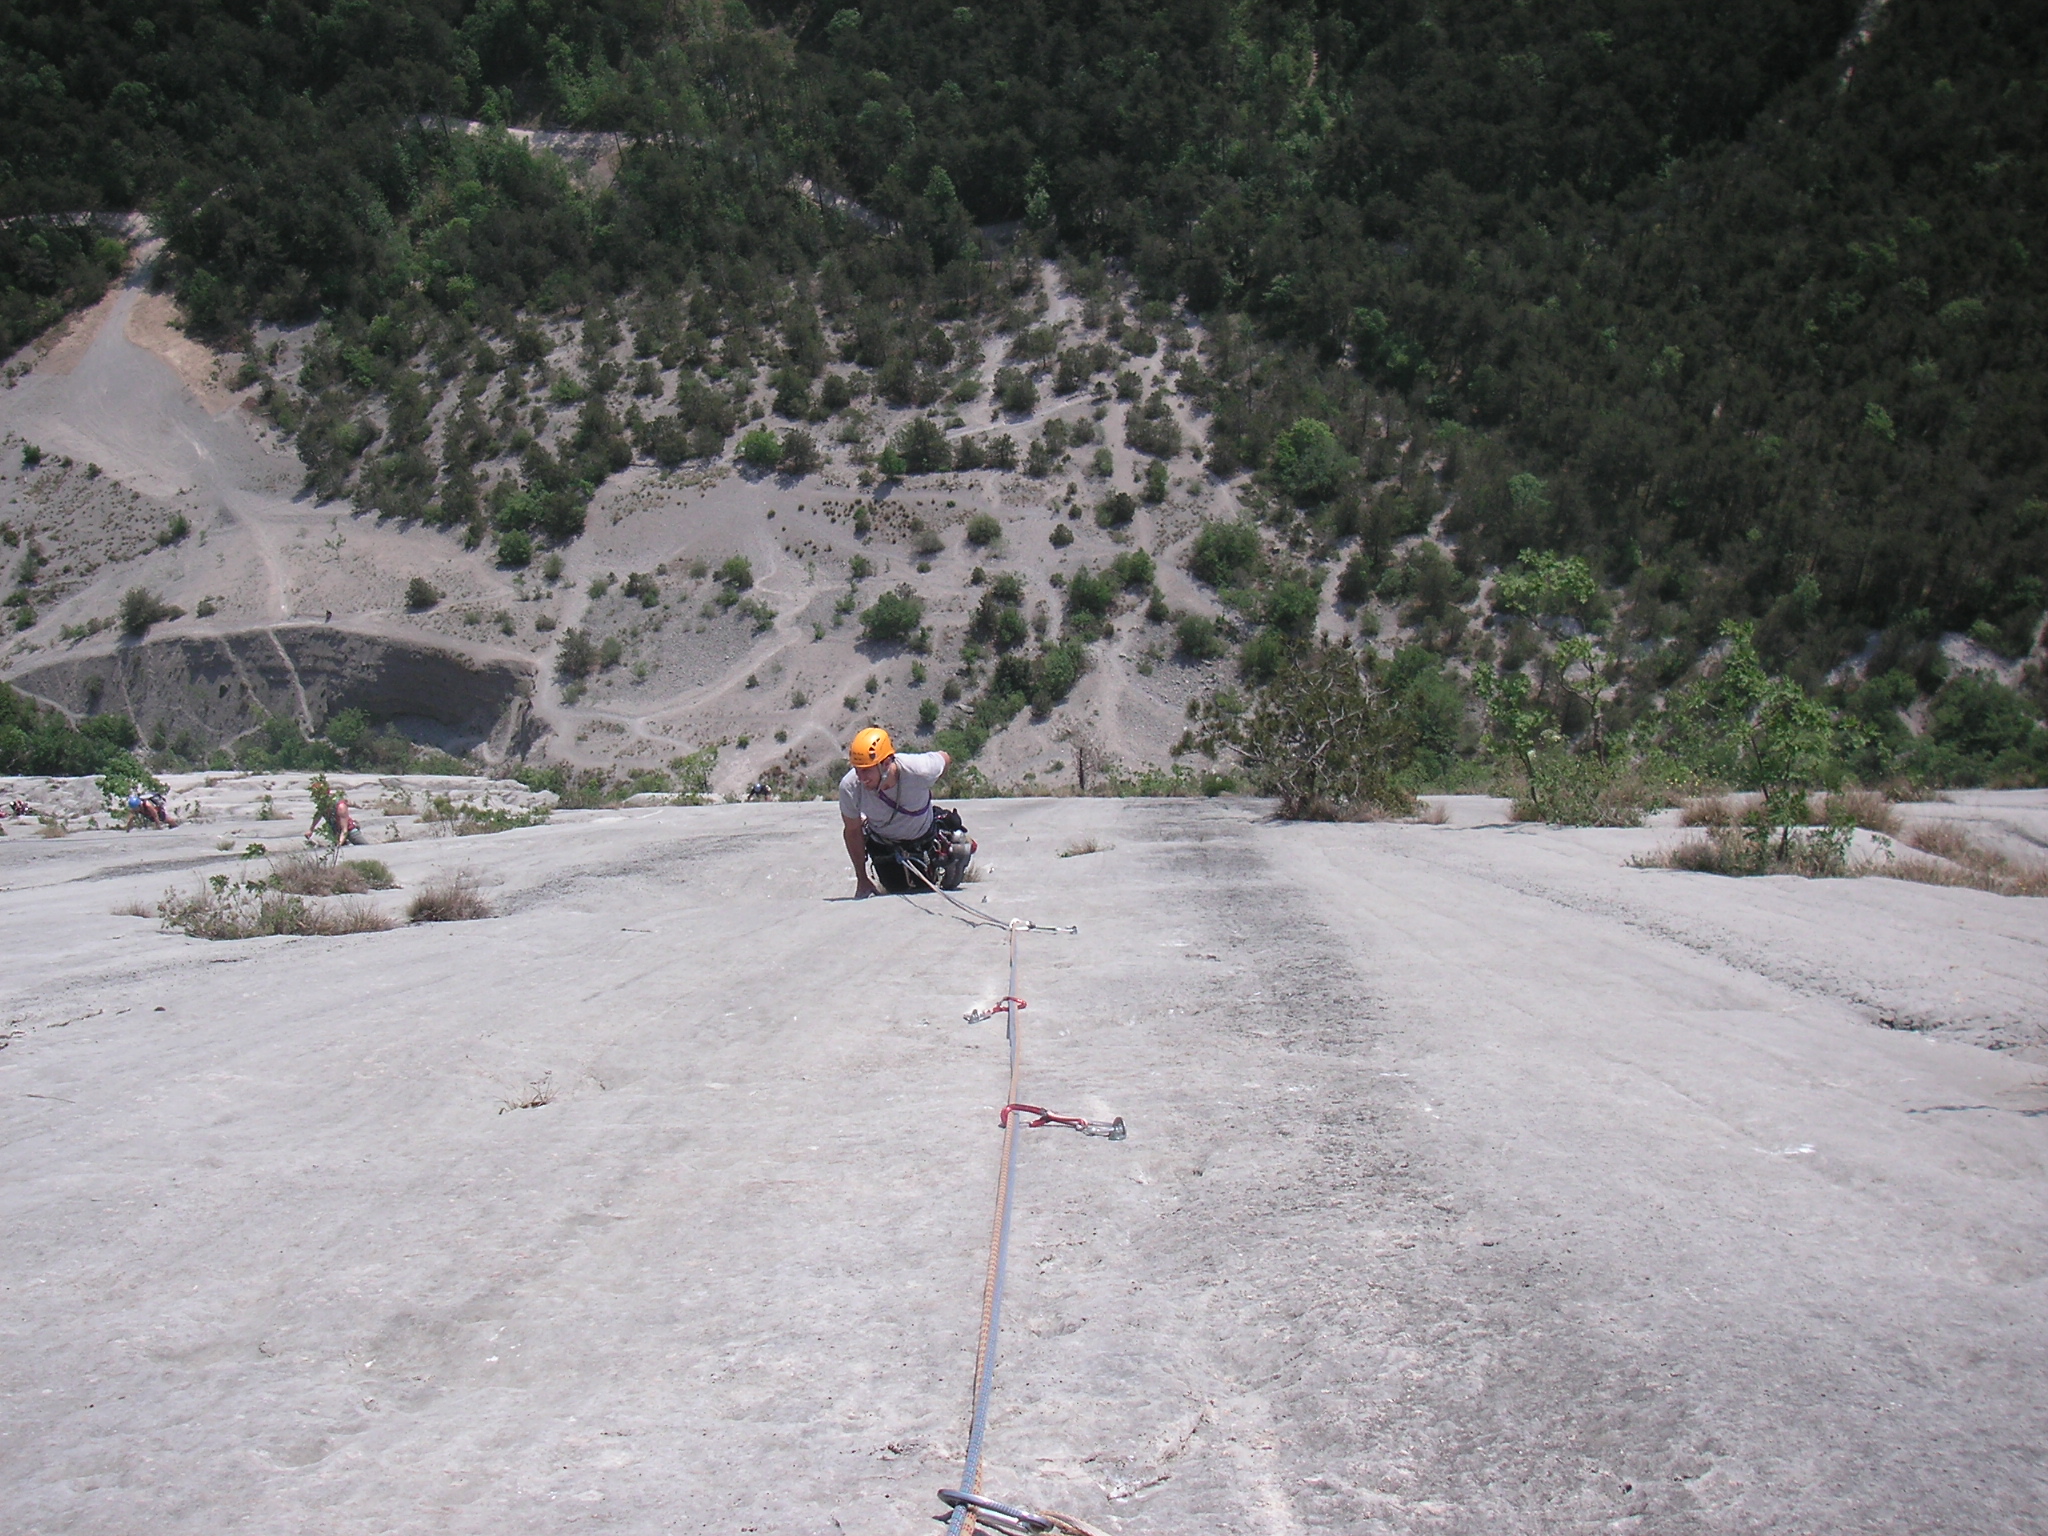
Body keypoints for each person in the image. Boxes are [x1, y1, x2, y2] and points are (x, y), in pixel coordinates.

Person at [838, 727, 969, 896]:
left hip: (925, 839)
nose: (861, 778)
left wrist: (930, 781)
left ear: (886, 763)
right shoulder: (850, 787)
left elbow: (945, 758)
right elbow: (853, 831)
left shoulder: (919, 770)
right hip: (885, 846)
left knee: (938, 884)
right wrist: (862, 878)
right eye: (857, 769)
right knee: (896, 888)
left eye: (866, 770)